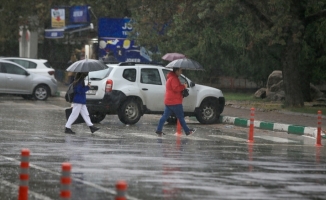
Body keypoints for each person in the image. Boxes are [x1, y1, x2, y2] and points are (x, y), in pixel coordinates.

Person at [156, 67, 196, 136]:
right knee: (180, 117)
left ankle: (159, 130)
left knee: (164, 116)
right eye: (180, 70)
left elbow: (175, 87)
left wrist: (181, 85)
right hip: (175, 102)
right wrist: (183, 86)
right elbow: (176, 88)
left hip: (169, 101)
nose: (181, 72)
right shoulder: (174, 78)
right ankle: (187, 131)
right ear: (176, 71)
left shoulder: (170, 78)